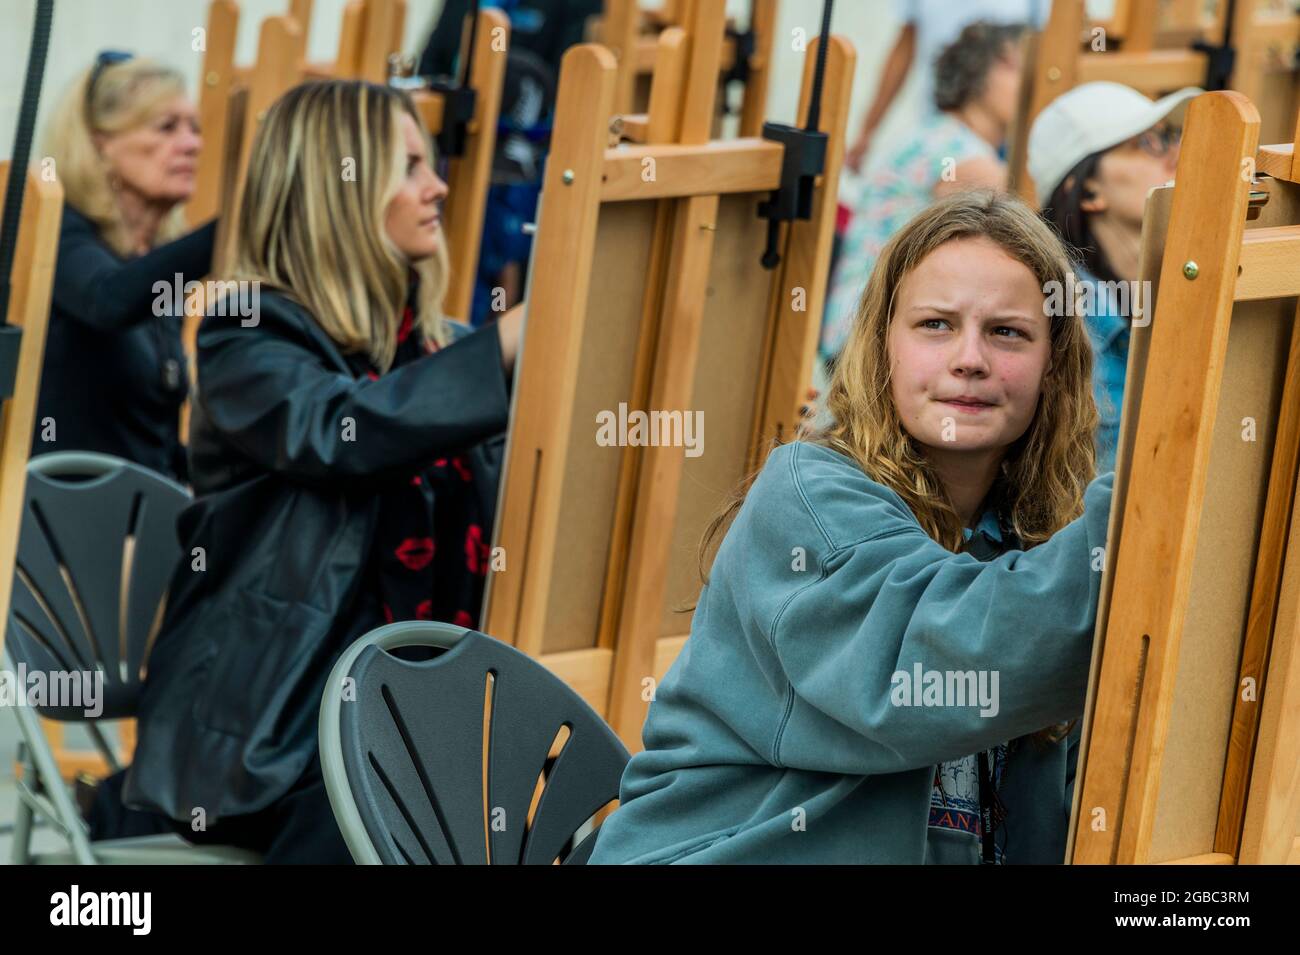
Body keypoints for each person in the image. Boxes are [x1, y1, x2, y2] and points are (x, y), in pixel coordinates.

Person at [588, 190, 1114, 864]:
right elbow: (946, 654)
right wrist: (1146, 497)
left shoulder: (1035, 542)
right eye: (935, 324)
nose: (970, 358)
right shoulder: (806, 494)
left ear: (1053, 364)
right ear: (881, 346)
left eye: (1007, 331)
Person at [116, 80, 525, 863]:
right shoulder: (247, 331)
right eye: (408, 168)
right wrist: (504, 349)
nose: (437, 187)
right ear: (337, 189)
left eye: (430, 164)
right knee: (387, 824)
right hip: (280, 726)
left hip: (415, 714)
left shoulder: (435, 347)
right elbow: (345, 431)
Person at [36, 52, 215, 480]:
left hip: (137, 520)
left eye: (195, 128)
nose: (193, 144)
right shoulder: (55, 230)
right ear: (101, 143)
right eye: (167, 127)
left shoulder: (154, 264)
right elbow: (108, 299)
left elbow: (156, 444)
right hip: (55, 522)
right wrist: (236, 228)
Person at [821, 22, 1025, 364]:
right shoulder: (956, 152)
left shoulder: (933, 135)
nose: (1031, 83)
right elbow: (1036, 215)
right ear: (981, 73)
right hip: (870, 334)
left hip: (864, 327)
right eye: (1012, 66)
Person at [1030, 81, 1196, 472]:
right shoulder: (1061, 313)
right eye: (1146, 144)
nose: (1175, 155)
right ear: (1087, 192)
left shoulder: (1186, 279)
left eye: (1171, 137)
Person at [845, 0, 1049, 173]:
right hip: (949, 115)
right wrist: (868, 131)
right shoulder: (959, 157)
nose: (1021, 79)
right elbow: (903, 50)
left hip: (998, 136)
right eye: (1010, 65)